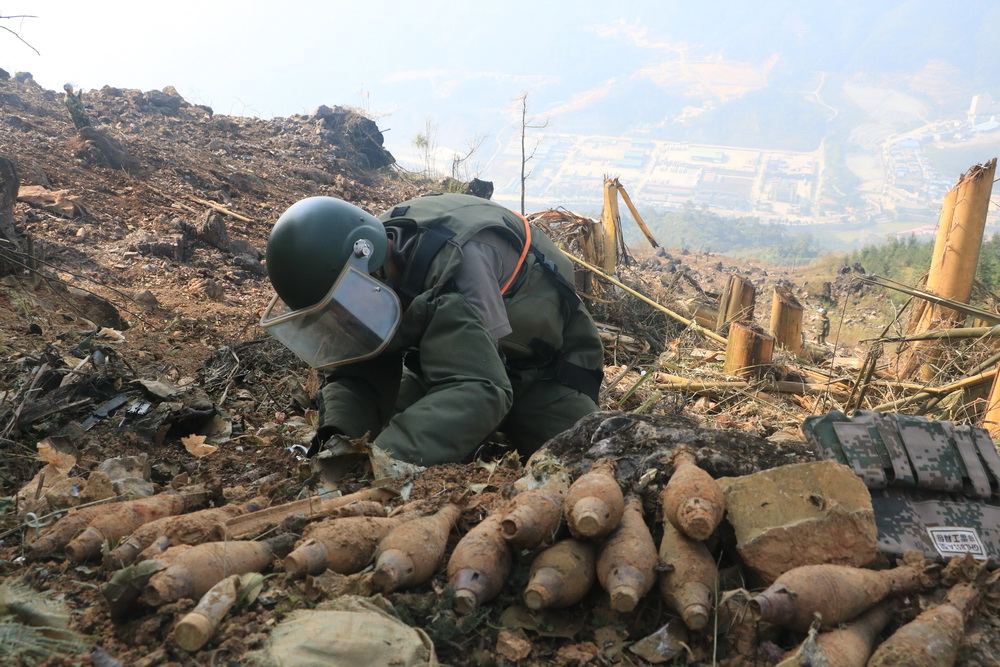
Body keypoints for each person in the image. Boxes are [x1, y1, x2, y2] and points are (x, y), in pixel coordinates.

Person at [262, 193, 605, 466]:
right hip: (447, 359)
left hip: (538, 373)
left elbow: (480, 387)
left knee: (579, 460)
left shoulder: (461, 264)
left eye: (345, 304)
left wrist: (382, 464)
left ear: (369, 257)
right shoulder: (363, 259)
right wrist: (338, 442)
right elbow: (359, 366)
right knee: (377, 428)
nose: (347, 318)